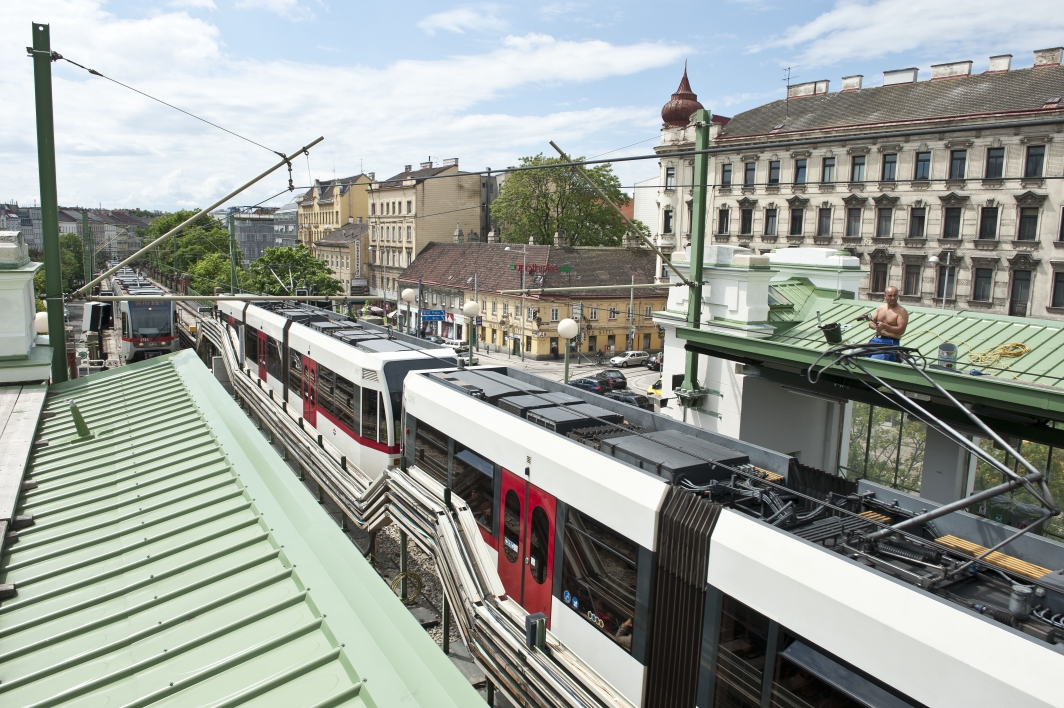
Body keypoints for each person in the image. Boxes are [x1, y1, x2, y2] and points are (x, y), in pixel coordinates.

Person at [865, 286, 908, 362]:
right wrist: (876, 327)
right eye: (890, 295)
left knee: (874, 362)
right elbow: (871, 323)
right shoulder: (881, 308)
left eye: (895, 295)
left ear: (898, 296)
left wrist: (885, 326)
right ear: (885, 296)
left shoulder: (902, 311)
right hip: (875, 339)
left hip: (890, 342)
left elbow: (901, 330)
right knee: (857, 357)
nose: (892, 298)